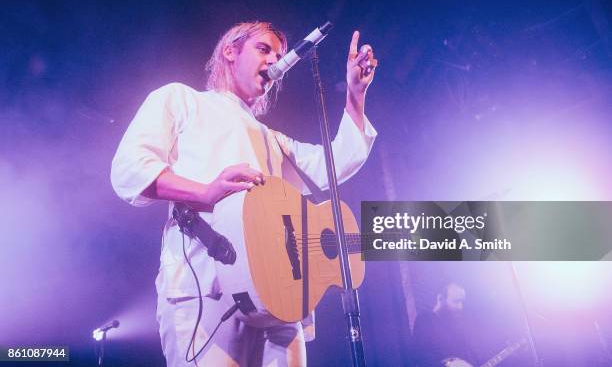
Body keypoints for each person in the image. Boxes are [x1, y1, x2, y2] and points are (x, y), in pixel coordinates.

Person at [110, 21, 377, 366]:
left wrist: (356, 96)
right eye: (263, 49)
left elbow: (331, 165)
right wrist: (205, 192)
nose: (274, 61)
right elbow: (130, 169)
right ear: (230, 51)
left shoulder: (271, 138)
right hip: (207, 288)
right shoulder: (182, 100)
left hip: (281, 296)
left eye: (279, 55)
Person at [412, 282, 479, 367]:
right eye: (456, 301)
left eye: (462, 302)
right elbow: (420, 359)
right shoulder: (424, 320)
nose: (460, 307)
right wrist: (449, 363)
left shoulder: (456, 327)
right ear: (440, 298)